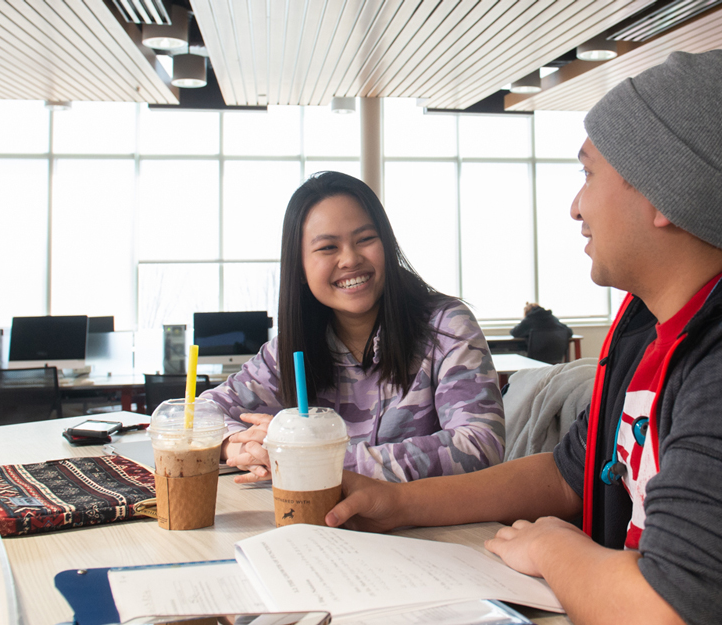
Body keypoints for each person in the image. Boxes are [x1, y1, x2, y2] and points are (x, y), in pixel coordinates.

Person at [326, 50, 722, 624]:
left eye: (588, 174)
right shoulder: (655, 326)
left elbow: (669, 609)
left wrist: (554, 551)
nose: (574, 206)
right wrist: (396, 502)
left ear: (664, 195)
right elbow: (569, 471)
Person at [203, 171, 505, 484]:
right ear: (301, 269)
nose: (350, 259)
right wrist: (237, 445)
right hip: (316, 524)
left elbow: (481, 446)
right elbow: (199, 414)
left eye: (365, 239)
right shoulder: (291, 349)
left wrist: (314, 457)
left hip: (425, 528)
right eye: (327, 247)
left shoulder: (446, 327)